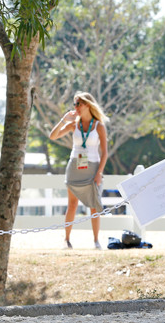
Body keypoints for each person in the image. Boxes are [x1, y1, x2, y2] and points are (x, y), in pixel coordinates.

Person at [49, 92, 110, 250]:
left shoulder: (99, 126)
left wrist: (99, 172)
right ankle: (67, 239)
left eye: (78, 104)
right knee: (72, 204)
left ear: (87, 105)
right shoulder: (73, 124)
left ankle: (96, 241)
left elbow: (105, 152)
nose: (75, 107)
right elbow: (53, 136)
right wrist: (64, 119)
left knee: (94, 205)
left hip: (92, 166)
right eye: (74, 104)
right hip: (75, 165)